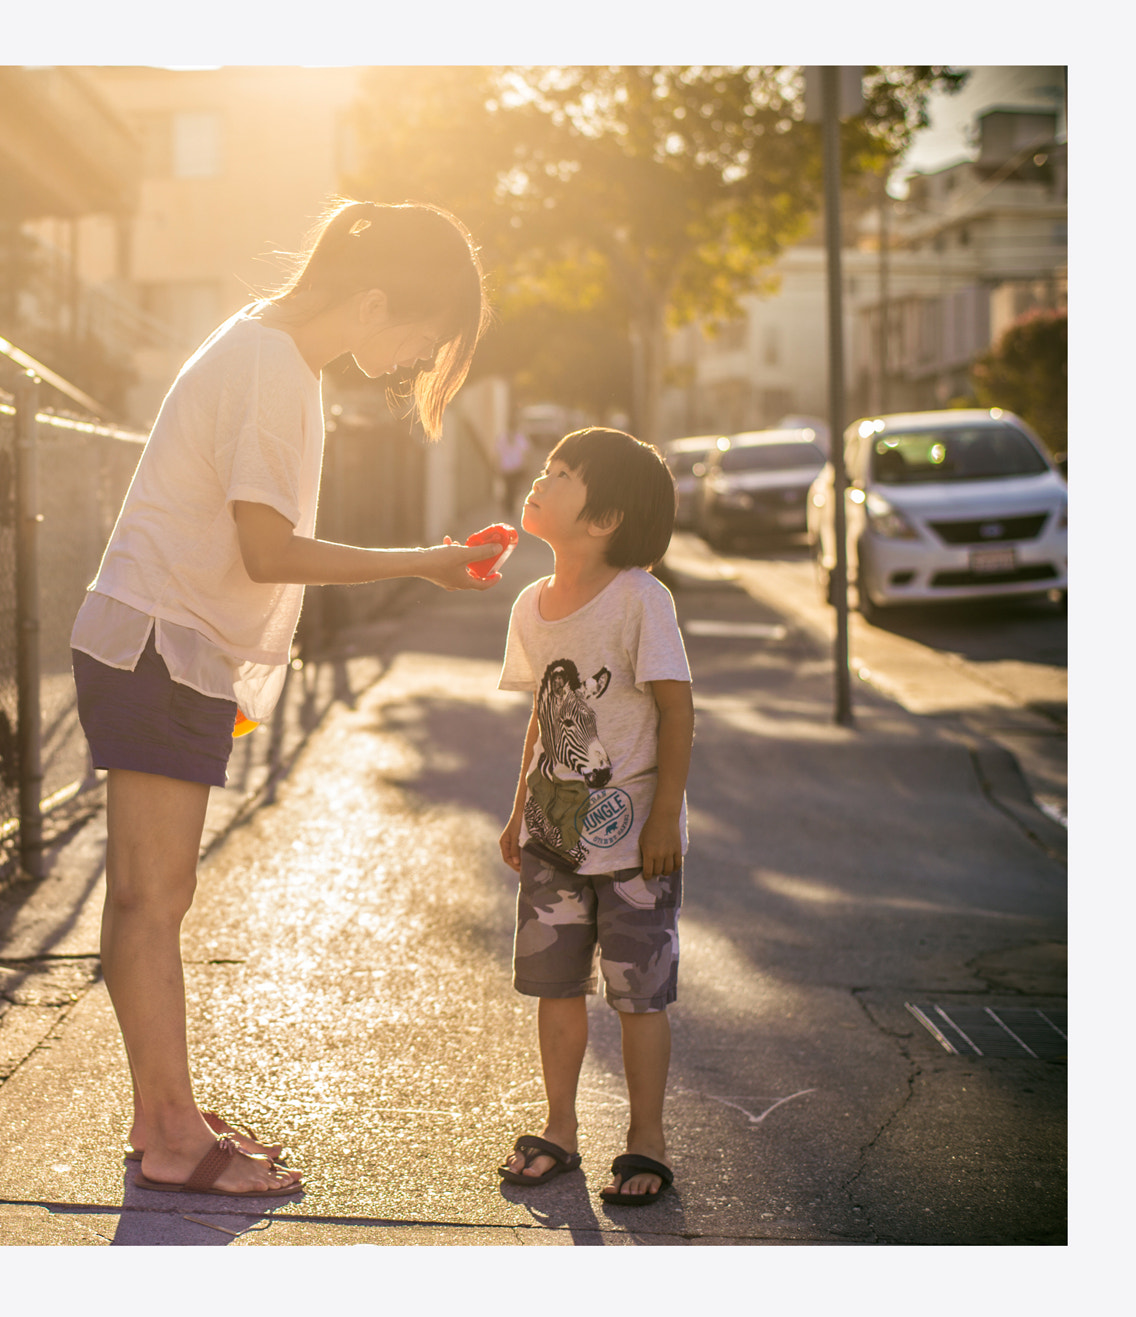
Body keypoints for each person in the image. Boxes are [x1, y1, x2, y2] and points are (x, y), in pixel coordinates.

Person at [70, 199, 500, 1198]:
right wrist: (427, 564)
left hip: (161, 646)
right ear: (378, 298)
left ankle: (161, 1114)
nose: (407, 365)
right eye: (418, 341)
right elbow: (268, 551)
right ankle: (172, 1134)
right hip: (156, 646)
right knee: (150, 896)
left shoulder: (269, 348)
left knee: (151, 896)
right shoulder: (274, 366)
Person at [493, 426, 694, 1207]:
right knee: (556, 986)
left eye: (563, 472)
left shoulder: (642, 599)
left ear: (604, 517)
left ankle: (646, 1138)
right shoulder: (529, 605)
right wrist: (517, 817)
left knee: (640, 994)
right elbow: (544, 720)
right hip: (552, 838)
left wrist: (664, 818)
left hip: (636, 843)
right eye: (545, 466)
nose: (541, 477)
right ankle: (561, 1127)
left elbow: (676, 711)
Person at [496, 426, 533, 520]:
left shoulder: (520, 439)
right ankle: (508, 508)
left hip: (517, 468)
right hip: (506, 468)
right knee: (508, 489)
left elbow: (526, 453)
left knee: (514, 489)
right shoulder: (502, 439)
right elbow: (498, 454)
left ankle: (510, 508)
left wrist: (526, 466)